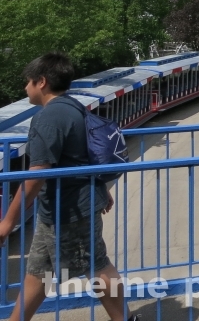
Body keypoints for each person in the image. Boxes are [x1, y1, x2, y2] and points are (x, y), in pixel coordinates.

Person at [0, 53, 138, 321]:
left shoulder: (49, 117)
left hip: (72, 209)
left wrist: (8, 221)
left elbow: (37, 173)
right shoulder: (72, 106)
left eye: (27, 81)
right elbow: (81, 154)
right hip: (58, 210)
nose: (24, 87)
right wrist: (101, 188)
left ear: (41, 82)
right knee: (40, 270)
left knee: (97, 266)